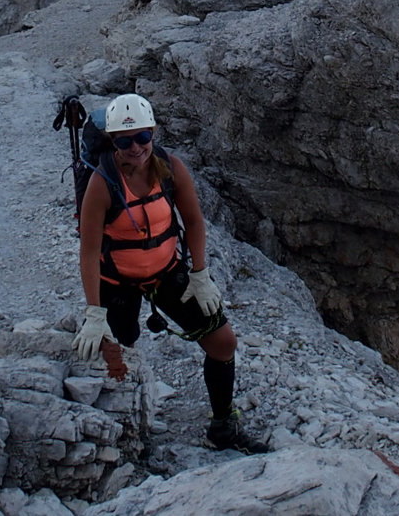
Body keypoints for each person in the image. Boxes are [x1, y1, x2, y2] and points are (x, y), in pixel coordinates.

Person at [72, 92, 267, 453]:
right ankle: (124, 435)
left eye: (143, 137)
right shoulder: (102, 183)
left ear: (153, 132)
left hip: (166, 272)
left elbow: (193, 221)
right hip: (116, 281)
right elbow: (88, 252)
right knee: (118, 355)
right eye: (125, 141)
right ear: (113, 141)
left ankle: (223, 427)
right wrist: (94, 313)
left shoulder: (170, 168)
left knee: (223, 342)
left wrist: (200, 274)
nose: (136, 147)